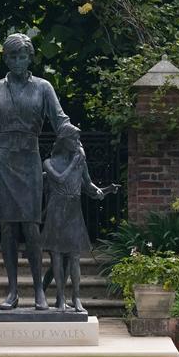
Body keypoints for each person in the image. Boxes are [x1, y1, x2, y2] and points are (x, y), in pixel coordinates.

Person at [0, 33, 71, 310]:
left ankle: (38, 289)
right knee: (8, 228)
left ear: (30, 57)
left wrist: (70, 133)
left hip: (29, 160)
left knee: (31, 227)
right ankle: (12, 290)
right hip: (1, 161)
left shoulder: (43, 88)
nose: (17, 61)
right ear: (5, 58)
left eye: (22, 56)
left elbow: (59, 120)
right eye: (12, 56)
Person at [41, 123, 119, 312]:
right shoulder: (49, 162)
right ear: (64, 140)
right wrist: (74, 163)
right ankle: (60, 298)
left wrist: (104, 190)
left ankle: (76, 298)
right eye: (74, 139)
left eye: (78, 139)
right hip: (56, 210)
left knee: (74, 257)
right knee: (57, 257)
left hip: (74, 211)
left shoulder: (80, 161)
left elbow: (89, 185)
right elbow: (59, 179)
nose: (77, 142)